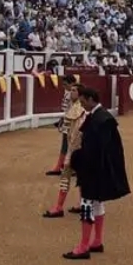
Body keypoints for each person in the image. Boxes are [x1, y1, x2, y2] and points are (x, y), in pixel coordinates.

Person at [64, 87, 131, 260]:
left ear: (91, 99)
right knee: (97, 205)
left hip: (93, 170)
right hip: (97, 169)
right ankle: (97, 241)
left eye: (84, 101)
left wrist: (80, 161)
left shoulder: (100, 119)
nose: (82, 105)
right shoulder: (101, 117)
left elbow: (98, 150)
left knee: (87, 205)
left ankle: (83, 246)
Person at [44, 82, 87, 218]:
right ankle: (75, 205)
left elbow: (74, 132)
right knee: (77, 177)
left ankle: (61, 207)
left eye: (74, 90)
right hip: (75, 148)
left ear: (80, 95)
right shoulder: (76, 108)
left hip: (76, 148)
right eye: (71, 90)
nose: (71, 92)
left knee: (70, 178)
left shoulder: (79, 109)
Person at [46, 75, 78, 176]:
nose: (64, 86)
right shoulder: (69, 93)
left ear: (72, 83)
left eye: (65, 84)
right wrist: (62, 118)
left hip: (74, 123)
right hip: (68, 121)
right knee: (66, 146)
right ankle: (60, 167)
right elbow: (67, 110)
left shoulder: (75, 94)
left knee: (73, 146)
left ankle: (73, 168)